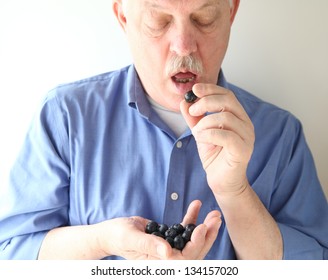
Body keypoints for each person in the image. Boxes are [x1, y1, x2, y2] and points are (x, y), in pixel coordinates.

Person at [0, 0, 327, 260]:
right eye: (159, 20)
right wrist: (101, 241)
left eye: (204, 19)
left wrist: (235, 193)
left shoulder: (281, 135)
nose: (184, 46)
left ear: (231, 12)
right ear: (123, 17)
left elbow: (313, 268)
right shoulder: (65, 116)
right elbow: (12, 255)